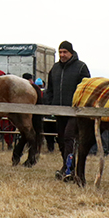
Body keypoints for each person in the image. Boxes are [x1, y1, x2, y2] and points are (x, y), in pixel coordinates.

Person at [43, 41, 90, 180]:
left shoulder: (81, 67)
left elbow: (86, 88)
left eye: (65, 52)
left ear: (71, 52)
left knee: (69, 137)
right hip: (59, 110)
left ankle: (69, 169)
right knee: (61, 139)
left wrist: (80, 106)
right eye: (60, 52)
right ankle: (66, 166)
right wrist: (50, 104)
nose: (62, 55)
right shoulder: (55, 68)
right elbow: (49, 89)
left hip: (75, 111)